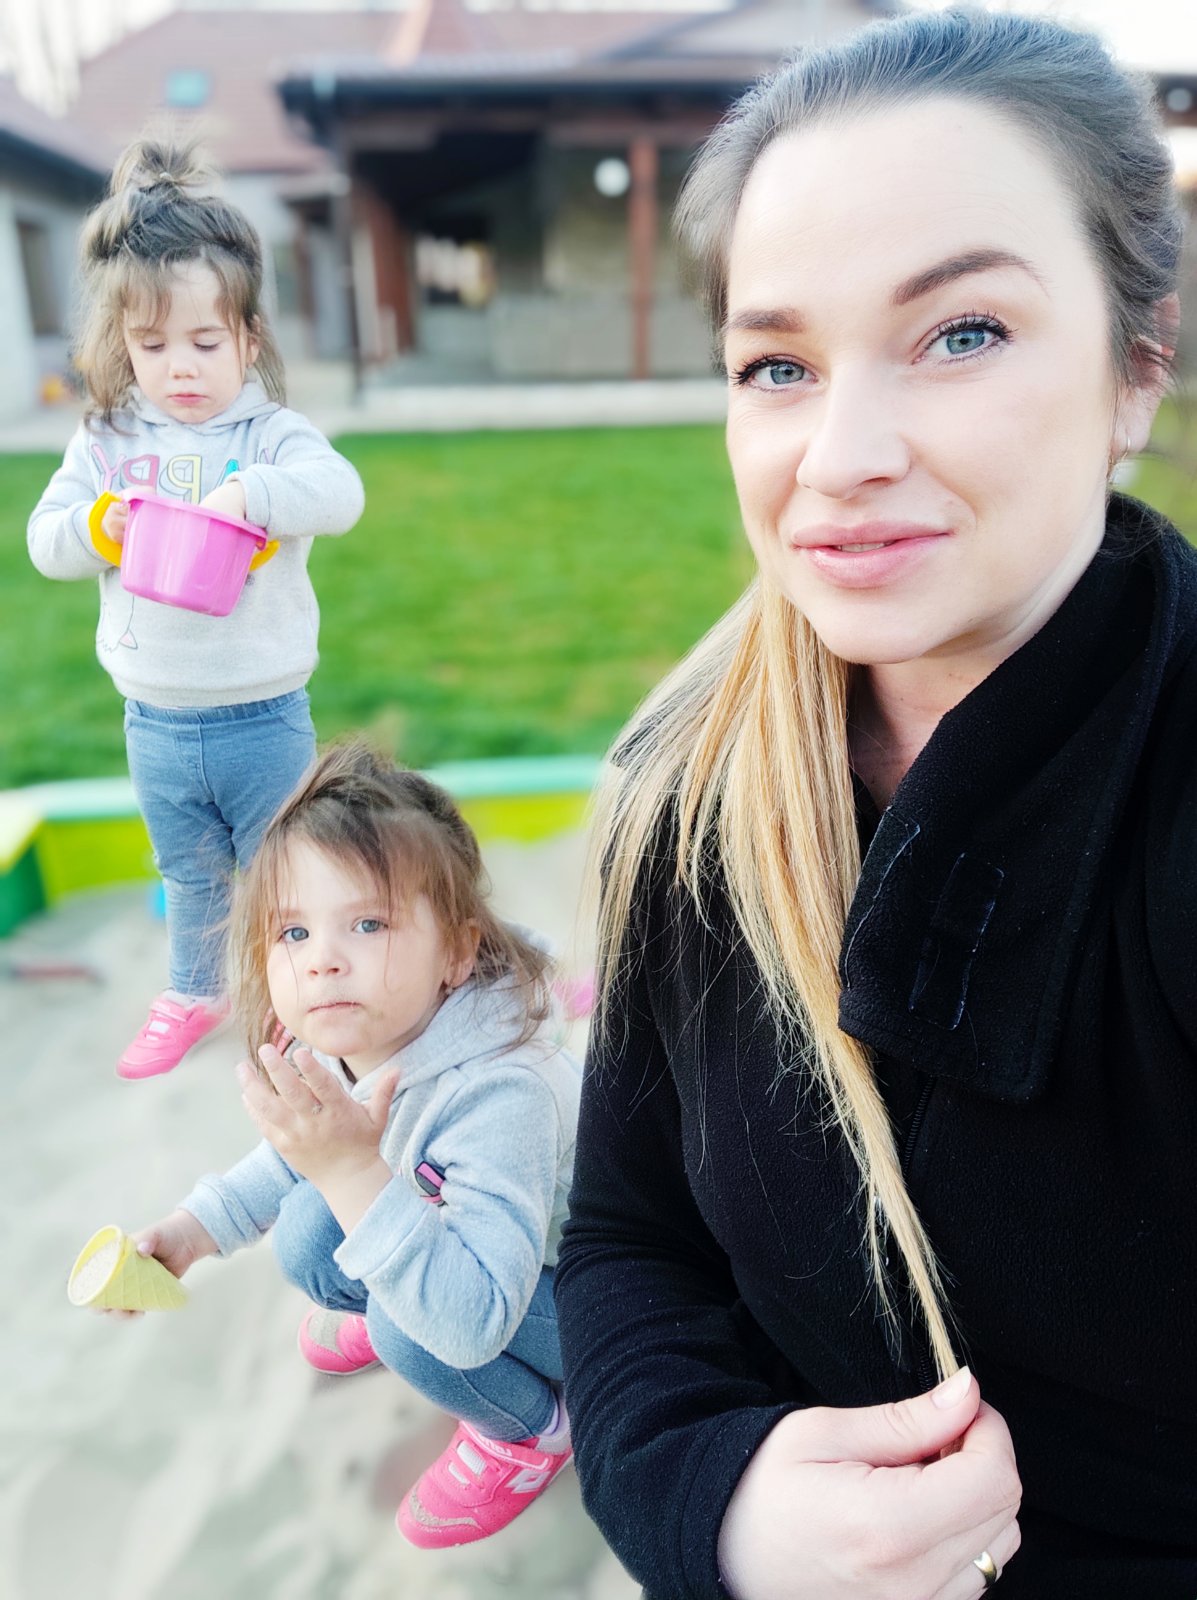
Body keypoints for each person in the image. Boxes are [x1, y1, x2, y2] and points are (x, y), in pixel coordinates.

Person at [554, 9, 1197, 1598]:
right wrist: (712, 1503)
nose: (837, 457)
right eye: (777, 365)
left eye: (960, 332)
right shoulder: (686, 790)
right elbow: (627, 1239)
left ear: (1137, 367)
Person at [101, 743, 581, 1548]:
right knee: (304, 1229)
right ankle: (392, 1298)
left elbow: (474, 1321)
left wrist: (355, 1171)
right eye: (293, 931)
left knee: (406, 1325)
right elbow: (289, 1161)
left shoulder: (501, 1093)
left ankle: (532, 1429)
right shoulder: (352, 1032)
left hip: (600, 1300)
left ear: (456, 952)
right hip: (475, 1247)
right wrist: (192, 1232)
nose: (322, 960)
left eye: (367, 924)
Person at [27, 137, 364, 1080]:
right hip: (155, 718)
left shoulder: (271, 435)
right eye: (153, 346)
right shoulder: (106, 441)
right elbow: (46, 542)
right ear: (122, 345)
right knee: (185, 871)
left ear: (248, 340)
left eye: (205, 344)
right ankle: (194, 990)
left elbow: (340, 494)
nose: (180, 368)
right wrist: (98, 525)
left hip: (262, 714)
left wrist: (253, 495)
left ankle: (290, 1004)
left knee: (282, 872)